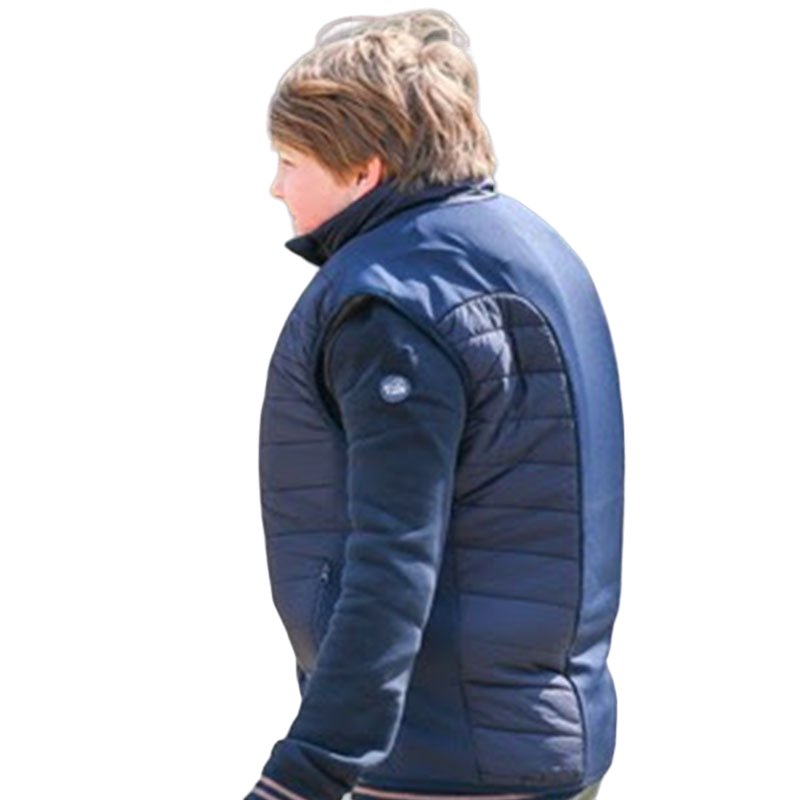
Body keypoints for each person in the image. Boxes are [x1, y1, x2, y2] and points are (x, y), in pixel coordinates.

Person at [248, 11, 623, 800]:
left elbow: (393, 558)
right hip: (539, 733)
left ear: (364, 169)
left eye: (289, 161)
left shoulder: (397, 302)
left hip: (443, 757)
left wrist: (310, 772)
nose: (276, 186)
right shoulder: (527, 247)